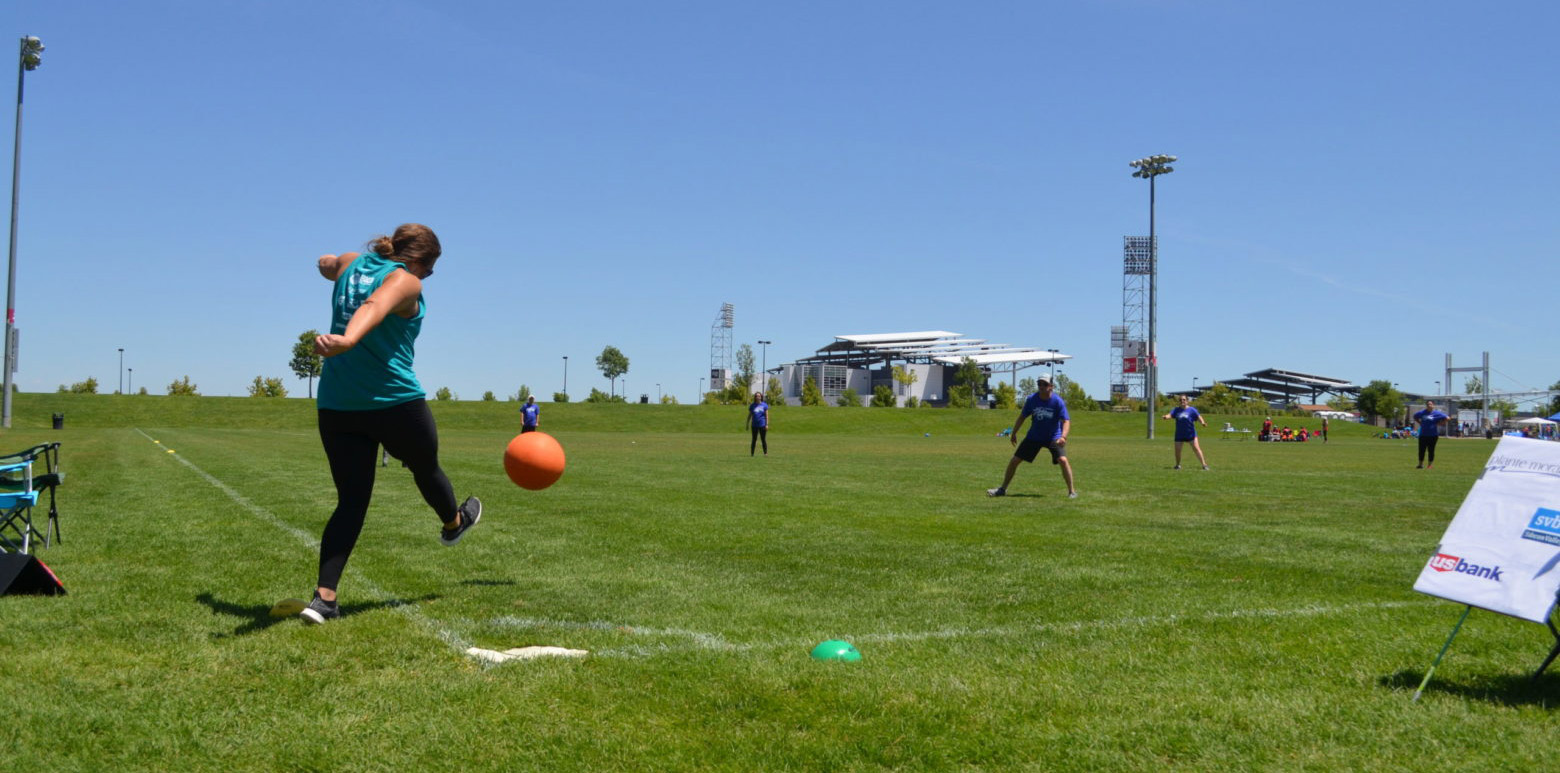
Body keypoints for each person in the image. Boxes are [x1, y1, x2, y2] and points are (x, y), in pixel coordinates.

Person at [302, 224, 481, 625]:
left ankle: (324, 600)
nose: (427, 278)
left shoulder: (351, 264)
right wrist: (347, 340)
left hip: (337, 404)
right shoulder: (405, 282)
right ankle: (454, 522)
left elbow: (328, 264)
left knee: (351, 501)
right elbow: (374, 308)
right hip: (393, 402)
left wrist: (324, 264)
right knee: (425, 467)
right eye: (429, 269)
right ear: (416, 260)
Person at [988, 374, 1077, 498]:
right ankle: (1002, 489)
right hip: (1034, 436)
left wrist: (1063, 437)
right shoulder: (1032, 399)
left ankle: (1072, 492)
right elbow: (1022, 417)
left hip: (1053, 437)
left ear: (1051, 386)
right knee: (1014, 461)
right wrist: (1014, 433)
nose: (1041, 386)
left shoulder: (1057, 401)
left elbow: (1066, 421)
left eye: (1045, 384)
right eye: (1039, 384)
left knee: (1063, 460)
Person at [1162, 395, 1209, 470]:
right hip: (1179, 434)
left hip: (1190, 434)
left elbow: (1199, 417)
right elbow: (1170, 415)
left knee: (1196, 448)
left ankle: (1204, 465)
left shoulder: (1192, 410)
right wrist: (1166, 417)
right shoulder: (1176, 410)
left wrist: (1202, 423)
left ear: (1187, 401)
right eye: (1180, 400)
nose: (1182, 401)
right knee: (1177, 450)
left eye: (1184, 400)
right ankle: (1177, 465)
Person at [1413, 400, 1449, 468]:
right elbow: (1415, 416)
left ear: (1433, 405)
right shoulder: (1421, 413)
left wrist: (1441, 423)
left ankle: (1429, 465)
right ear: (1426, 405)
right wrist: (1419, 422)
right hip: (1423, 435)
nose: (1429, 405)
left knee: (1431, 451)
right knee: (1421, 450)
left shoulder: (1437, 413)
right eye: (1428, 404)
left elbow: (1447, 418)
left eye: (1430, 404)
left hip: (1433, 435)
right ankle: (1420, 464)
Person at [746, 391, 770, 456]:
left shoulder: (764, 405)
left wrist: (767, 424)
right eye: (756, 396)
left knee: (763, 439)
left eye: (759, 396)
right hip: (754, 425)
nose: (757, 397)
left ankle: (765, 453)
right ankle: (752, 453)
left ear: (761, 397)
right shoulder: (752, 405)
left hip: (762, 425)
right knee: (754, 439)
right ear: (755, 397)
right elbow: (749, 415)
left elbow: (766, 415)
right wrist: (747, 424)